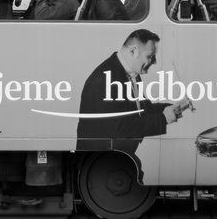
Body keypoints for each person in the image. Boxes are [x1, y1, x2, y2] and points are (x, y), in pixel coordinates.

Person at [76, 29, 192, 181]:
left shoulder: (131, 74)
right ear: (133, 51)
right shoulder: (105, 78)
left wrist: (173, 107)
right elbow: (118, 128)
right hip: (101, 165)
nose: (154, 62)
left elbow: (142, 109)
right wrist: (163, 119)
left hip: (115, 160)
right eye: (150, 56)